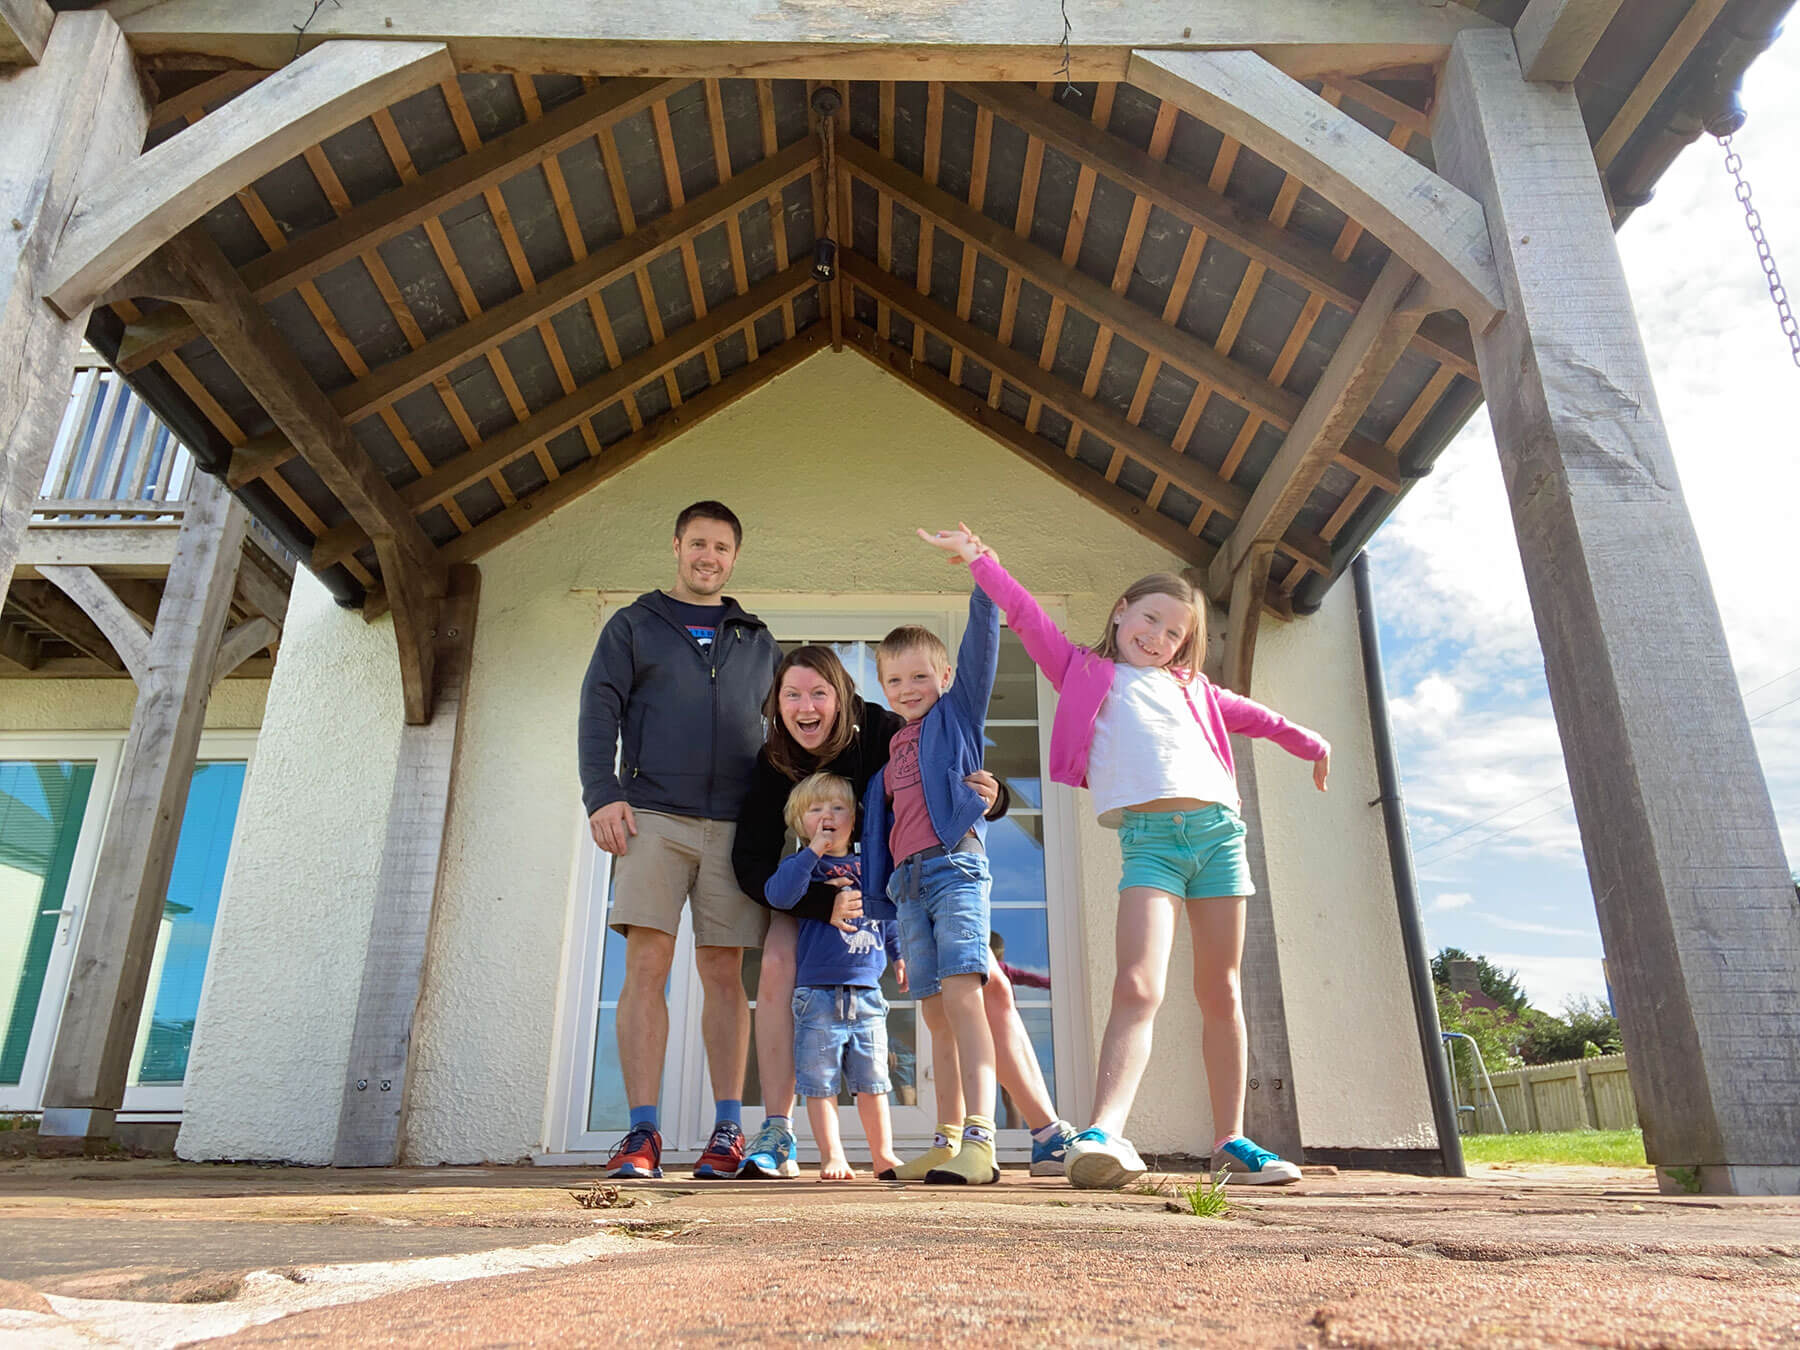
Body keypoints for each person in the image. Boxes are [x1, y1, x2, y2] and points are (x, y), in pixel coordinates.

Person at [924, 524, 1330, 1190]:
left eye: (1175, 633)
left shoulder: (1194, 689)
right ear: (1120, 612)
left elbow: (1257, 718)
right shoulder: (1087, 673)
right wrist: (983, 562)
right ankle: (1104, 1132)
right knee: (1138, 985)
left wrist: (1311, 744)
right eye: (1151, 620)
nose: (1160, 637)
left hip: (1220, 839)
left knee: (1221, 990)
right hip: (1151, 845)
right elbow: (1026, 617)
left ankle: (1232, 1139)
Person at [733, 646, 1075, 1181]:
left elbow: (956, 770)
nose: (806, 707)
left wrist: (997, 796)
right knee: (777, 964)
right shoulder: (772, 761)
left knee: (991, 987)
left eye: (819, 693)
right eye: (792, 695)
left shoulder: (883, 729)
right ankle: (777, 1130)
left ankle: (1047, 1132)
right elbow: (749, 862)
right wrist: (821, 903)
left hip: (904, 886)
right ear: (776, 704)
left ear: (843, 696)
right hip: (811, 892)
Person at [578, 501, 781, 1180]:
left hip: (733, 823)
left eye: (721, 548)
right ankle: (642, 1135)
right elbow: (597, 709)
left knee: (725, 975)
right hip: (651, 818)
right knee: (647, 969)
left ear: (734, 558)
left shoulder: (756, 638)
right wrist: (602, 793)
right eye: (698, 543)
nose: (709, 557)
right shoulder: (634, 625)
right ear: (676, 547)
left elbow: (793, 724)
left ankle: (727, 1132)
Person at [858, 532, 1004, 1186]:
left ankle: (982, 1140)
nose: (909, 686)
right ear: (883, 687)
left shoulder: (958, 717)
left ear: (944, 678)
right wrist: (883, 908)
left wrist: (982, 569)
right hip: (909, 884)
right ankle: (947, 1140)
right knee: (934, 1011)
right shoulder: (890, 753)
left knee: (964, 998)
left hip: (955, 869)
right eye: (896, 679)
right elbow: (883, 832)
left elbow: (983, 641)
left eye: (921, 675)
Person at [764, 773, 905, 1181]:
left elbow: (887, 913)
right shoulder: (801, 866)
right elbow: (779, 896)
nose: (828, 815)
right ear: (799, 821)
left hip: (866, 993)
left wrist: (898, 954)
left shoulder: (871, 866)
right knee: (820, 1082)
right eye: (816, 809)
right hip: (817, 994)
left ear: (854, 818)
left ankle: (883, 1154)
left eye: (838, 808)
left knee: (873, 1080)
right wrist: (812, 852)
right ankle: (832, 1156)